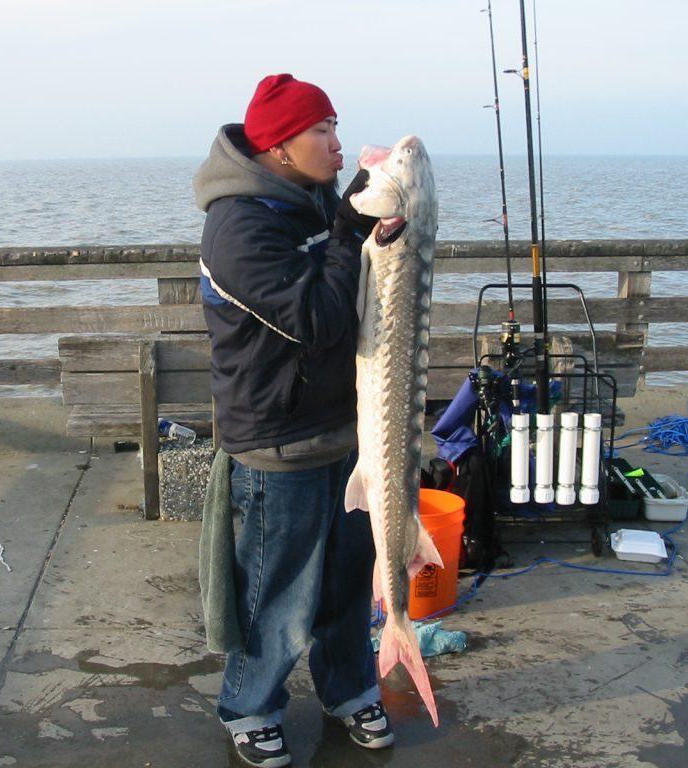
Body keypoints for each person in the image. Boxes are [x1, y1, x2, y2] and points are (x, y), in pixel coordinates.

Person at [193, 73, 391, 768]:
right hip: (278, 440)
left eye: (335, 125)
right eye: (321, 131)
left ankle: (352, 691)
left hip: (347, 432)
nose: (337, 142)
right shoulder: (238, 227)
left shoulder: (308, 200)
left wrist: (375, 221)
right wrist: (347, 228)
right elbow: (318, 318)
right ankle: (250, 707)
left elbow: (357, 282)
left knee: (347, 582)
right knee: (277, 591)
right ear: (279, 146)